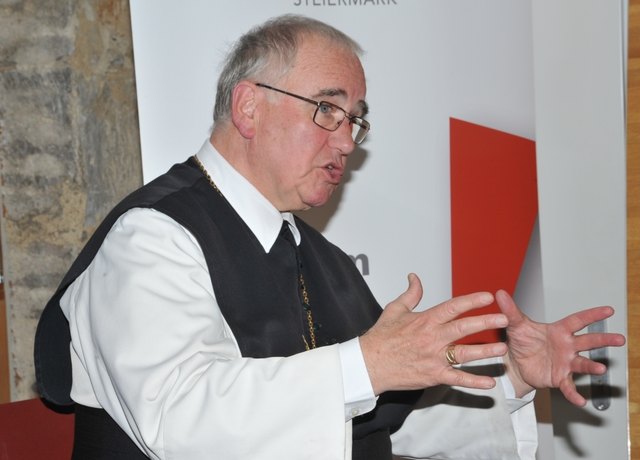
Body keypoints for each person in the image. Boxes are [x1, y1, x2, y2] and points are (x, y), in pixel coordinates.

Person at [34, 14, 625, 460]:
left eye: (355, 120)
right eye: (326, 110)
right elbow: (179, 421)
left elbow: (381, 432)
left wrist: (513, 376)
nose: (346, 141)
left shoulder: (323, 260)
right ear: (248, 108)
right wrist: (365, 365)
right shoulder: (152, 237)